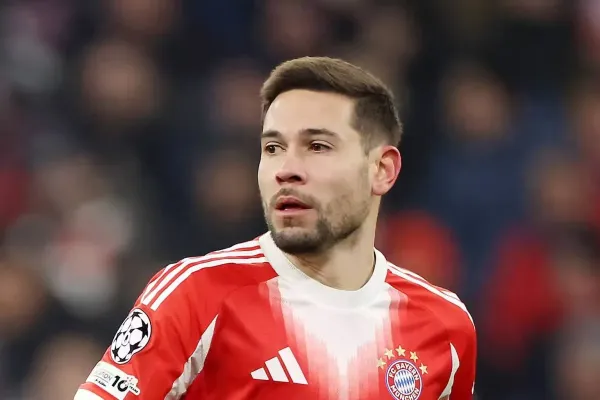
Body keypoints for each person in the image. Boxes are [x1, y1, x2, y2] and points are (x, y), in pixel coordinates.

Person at [74, 56, 476, 400]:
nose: (286, 170)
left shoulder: (445, 325)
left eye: (317, 146)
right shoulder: (196, 294)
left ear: (382, 170)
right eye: (273, 148)